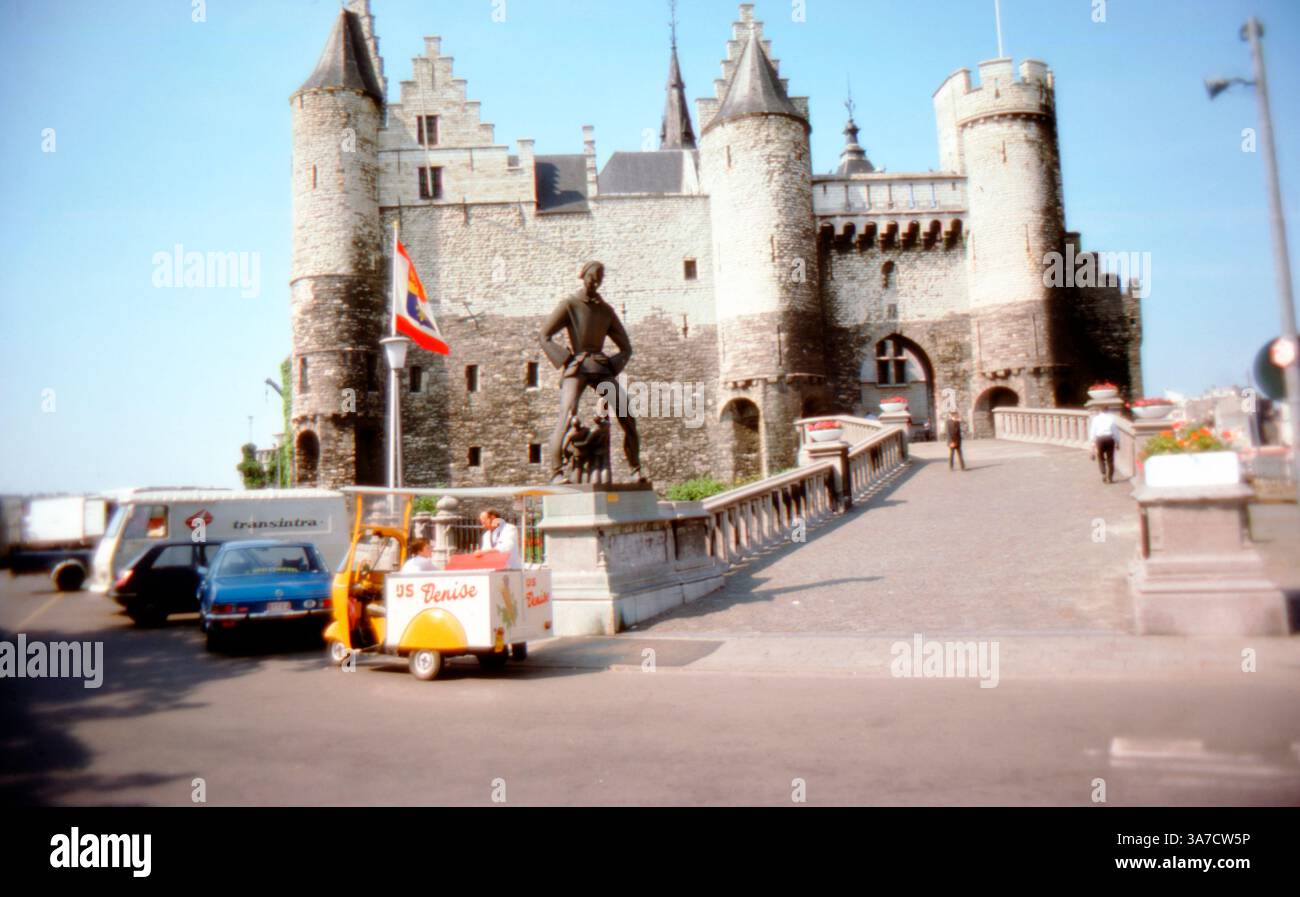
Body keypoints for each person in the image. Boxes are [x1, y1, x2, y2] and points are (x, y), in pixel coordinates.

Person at [539, 261, 647, 484]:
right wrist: (566, 360)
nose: (595, 281)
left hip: (599, 367)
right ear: (583, 276)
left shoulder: (606, 311)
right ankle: (556, 472)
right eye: (592, 277)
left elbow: (626, 348)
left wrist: (611, 367)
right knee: (567, 414)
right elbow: (544, 336)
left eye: (599, 278)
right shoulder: (569, 304)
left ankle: (636, 469)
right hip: (577, 366)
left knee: (626, 415)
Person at [1089, 407, 1119, 483]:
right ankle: (1110, 477)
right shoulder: (1112, 418)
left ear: (1100, 410)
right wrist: (1117, 442)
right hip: (1109, 438)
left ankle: (1103, 473)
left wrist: (1092, 444)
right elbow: (1115, 431)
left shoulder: (1096, 419)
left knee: (1100, 457)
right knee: (1110, 459)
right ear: (1108, 410)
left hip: (1100, 439)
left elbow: (1093, 432)